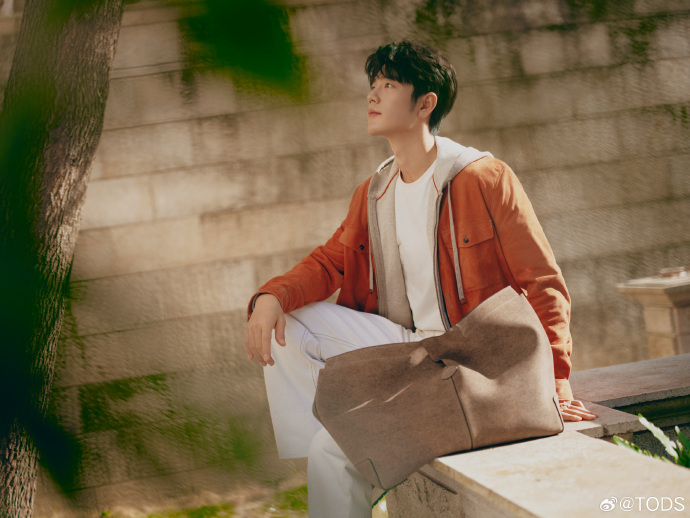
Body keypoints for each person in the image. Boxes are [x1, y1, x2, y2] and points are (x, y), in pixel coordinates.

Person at [245, 39, 597, 517]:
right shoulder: (374, 192)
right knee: (288, 321)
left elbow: (543, 282)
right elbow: (329, 262)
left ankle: (356, 441)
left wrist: (557, 380)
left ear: (425, 104)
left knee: (334, 454)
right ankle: (349, 430)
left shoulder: (483, 178)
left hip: (473, 356)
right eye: (373, 84)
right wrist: (271, 296)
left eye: (389, 85)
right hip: (408, 348)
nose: (372, 95)